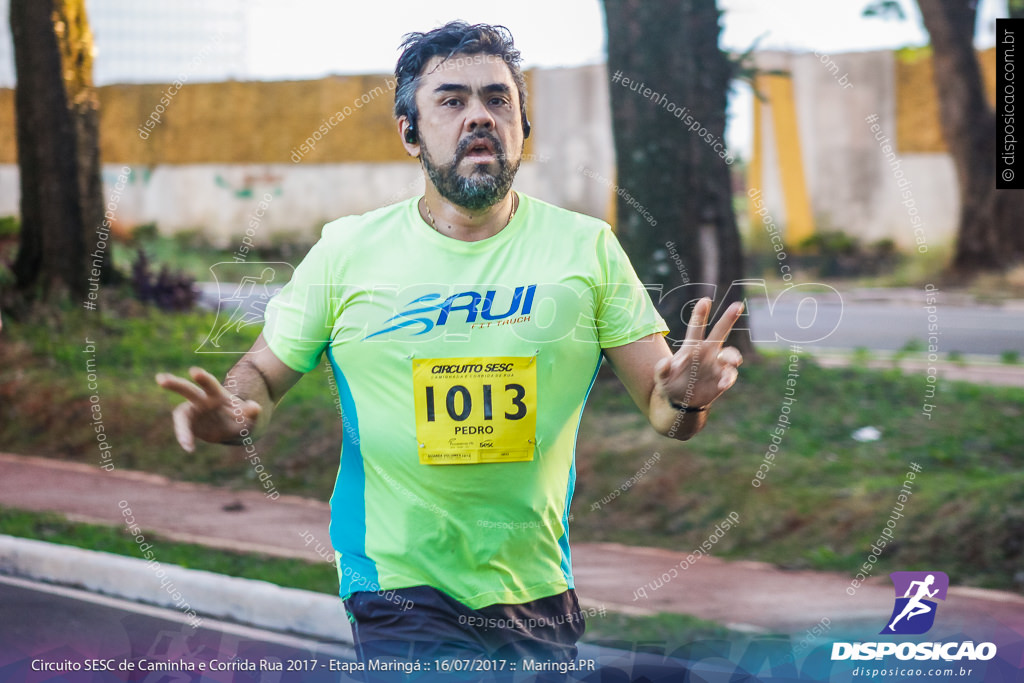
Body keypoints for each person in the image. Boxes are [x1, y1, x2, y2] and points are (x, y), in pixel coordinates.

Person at [156, 20, 743, 677]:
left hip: (534, 586)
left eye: (498, 100)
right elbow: (261, 372)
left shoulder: (587, 248)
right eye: (451, 100)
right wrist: (232, 413)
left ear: (524, 127)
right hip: (397, 581)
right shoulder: (348, 251)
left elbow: (665, 410)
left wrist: (688, 398)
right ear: (409, 132)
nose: (478, 117)